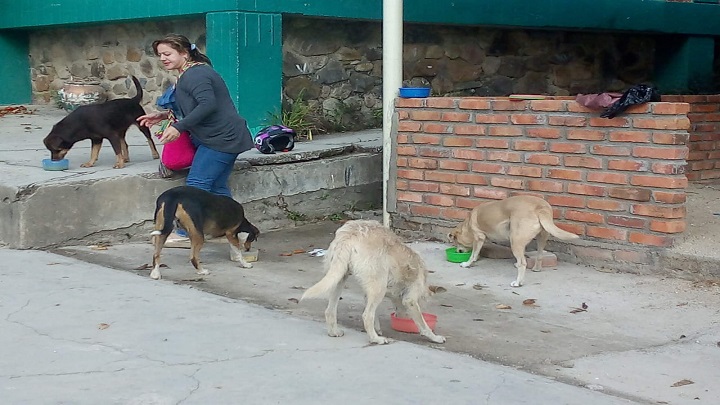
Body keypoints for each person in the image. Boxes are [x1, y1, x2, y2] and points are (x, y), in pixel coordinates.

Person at [138, 34, 254, 245]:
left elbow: (208, 104)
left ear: (184, 53)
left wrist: (178, 127)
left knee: (197, 184)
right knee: (217, 187)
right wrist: (162, 116)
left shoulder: (196, 75)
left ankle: (185, 232)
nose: (163, 58)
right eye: (160, 55)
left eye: (167, 54)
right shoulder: (187, 73)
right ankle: (234, 228)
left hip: (221, 138)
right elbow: (195, 106)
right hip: (219, 137)